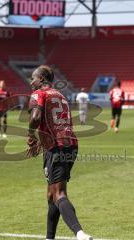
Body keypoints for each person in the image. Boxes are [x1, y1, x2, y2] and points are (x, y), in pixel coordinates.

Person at [27, 65, 93, 240]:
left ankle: (79, 233)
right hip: (70, 144)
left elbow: (35, 117)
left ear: (41, 79)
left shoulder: (39, 93)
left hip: (57, 146)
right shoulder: (61, 95)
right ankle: (50, 238)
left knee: (59, 193)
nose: (31, 83)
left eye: (32, 79)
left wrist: (31, 135)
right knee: (51, 195)